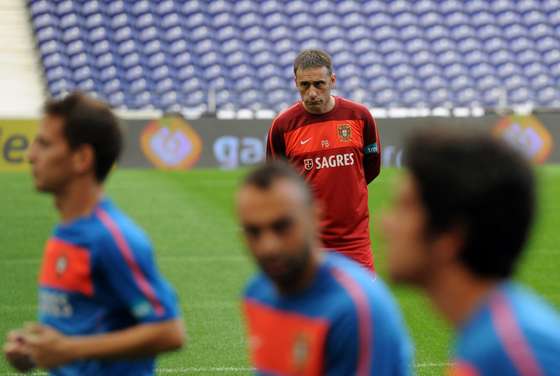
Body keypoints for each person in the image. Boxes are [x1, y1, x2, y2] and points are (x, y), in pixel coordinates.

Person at [3, 92, 185, 375]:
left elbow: (169, 331)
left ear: (82, 158)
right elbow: (76, 330)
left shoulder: (111, 238)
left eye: (45, 144)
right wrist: (36, 352)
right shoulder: (65, 231)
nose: (30, 155)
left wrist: (68, 350)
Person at [382, 129, 560, 375]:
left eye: (405, 208)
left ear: (450, 236)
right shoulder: (489, 336)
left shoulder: (513, 350)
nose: (386, 224)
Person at [237, 161, 412, 375]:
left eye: (282, 227)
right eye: (253, 232)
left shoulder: (355, 309)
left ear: (315, 216)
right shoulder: (256, 294)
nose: (268, 247)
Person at [266, 49, 381, 271]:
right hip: (305, 240)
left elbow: (371, 167)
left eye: (319, 84)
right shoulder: (283, 126)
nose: (312, 93)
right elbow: (277, 182)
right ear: (296, 83)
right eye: (304, 85)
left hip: (354, 241)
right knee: (309, 305)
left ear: (332, 80)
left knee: (361, 304)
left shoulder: (359, 116)